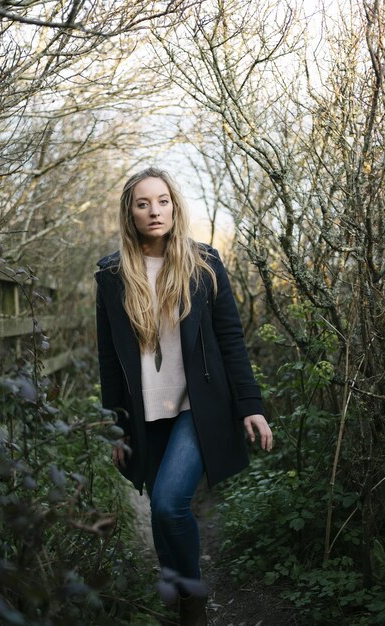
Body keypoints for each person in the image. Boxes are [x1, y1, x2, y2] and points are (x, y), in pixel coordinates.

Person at [95, 167, 273, 626]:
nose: (154, 211)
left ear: (175, 206)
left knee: (171, 501)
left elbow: (231, 340)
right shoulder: (113, 277)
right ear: (129, 213)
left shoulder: (204, 265)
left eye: (162, 201)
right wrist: (115, 426)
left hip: (199, 407)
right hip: (144, 411)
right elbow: (109, 359)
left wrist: (251, 407)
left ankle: (192, 598)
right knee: (159, 509)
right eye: (142, 203)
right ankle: (174, 588)